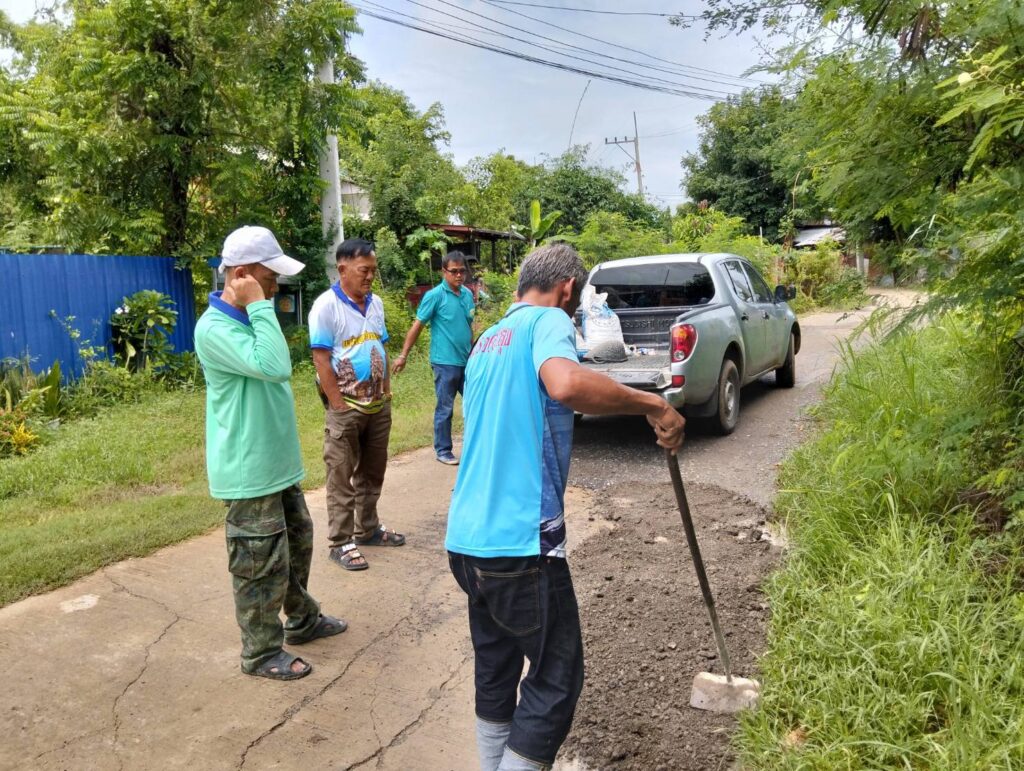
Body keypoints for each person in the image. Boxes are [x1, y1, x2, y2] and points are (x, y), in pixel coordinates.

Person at [445, 243, 685, 770]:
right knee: (556, 677)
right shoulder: (548, 320)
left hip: (466, 542)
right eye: (574, 305)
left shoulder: (489, 339)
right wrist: (651, 402)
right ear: (568, 289)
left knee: (496, 669)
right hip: (519, 544)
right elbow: (567, 383)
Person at [194, 225, 346, 682]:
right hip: (249, 471)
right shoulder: (214, 328)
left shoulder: (249, 321)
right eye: (268, 277)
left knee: (295, 545)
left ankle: (302, 618)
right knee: (258, 564)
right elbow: (276, 367)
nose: (275, 286)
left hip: (275, 466)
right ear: (241, 274)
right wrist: (259, 304)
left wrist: (259, 308)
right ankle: (260, 652)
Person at [309, 238, 406, 572]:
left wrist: (386, 390)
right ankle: (340, 541)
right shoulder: (326, 306)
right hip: (346, 408)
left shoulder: (375, 303)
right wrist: (337, 405)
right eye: (364, 270)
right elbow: (321, 359)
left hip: (377, 406)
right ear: (343, 269)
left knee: (372, 473)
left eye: (373, 270)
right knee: (341, 476)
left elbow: (381, 346)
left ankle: (367, 529)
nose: (370, 277)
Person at [392, 250, 476, 465]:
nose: (459, 275)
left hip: (467, 361)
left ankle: (476, 447)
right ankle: (443, 450)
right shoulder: (435, 296)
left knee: (476, 403)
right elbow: (417, 326)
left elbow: (469, 326)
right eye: (454, 271)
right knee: (445, 408)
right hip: (444, 362)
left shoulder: (467, 294)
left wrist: (475, 352)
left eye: (462, 271)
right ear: (444, 272)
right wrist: (403, 355)